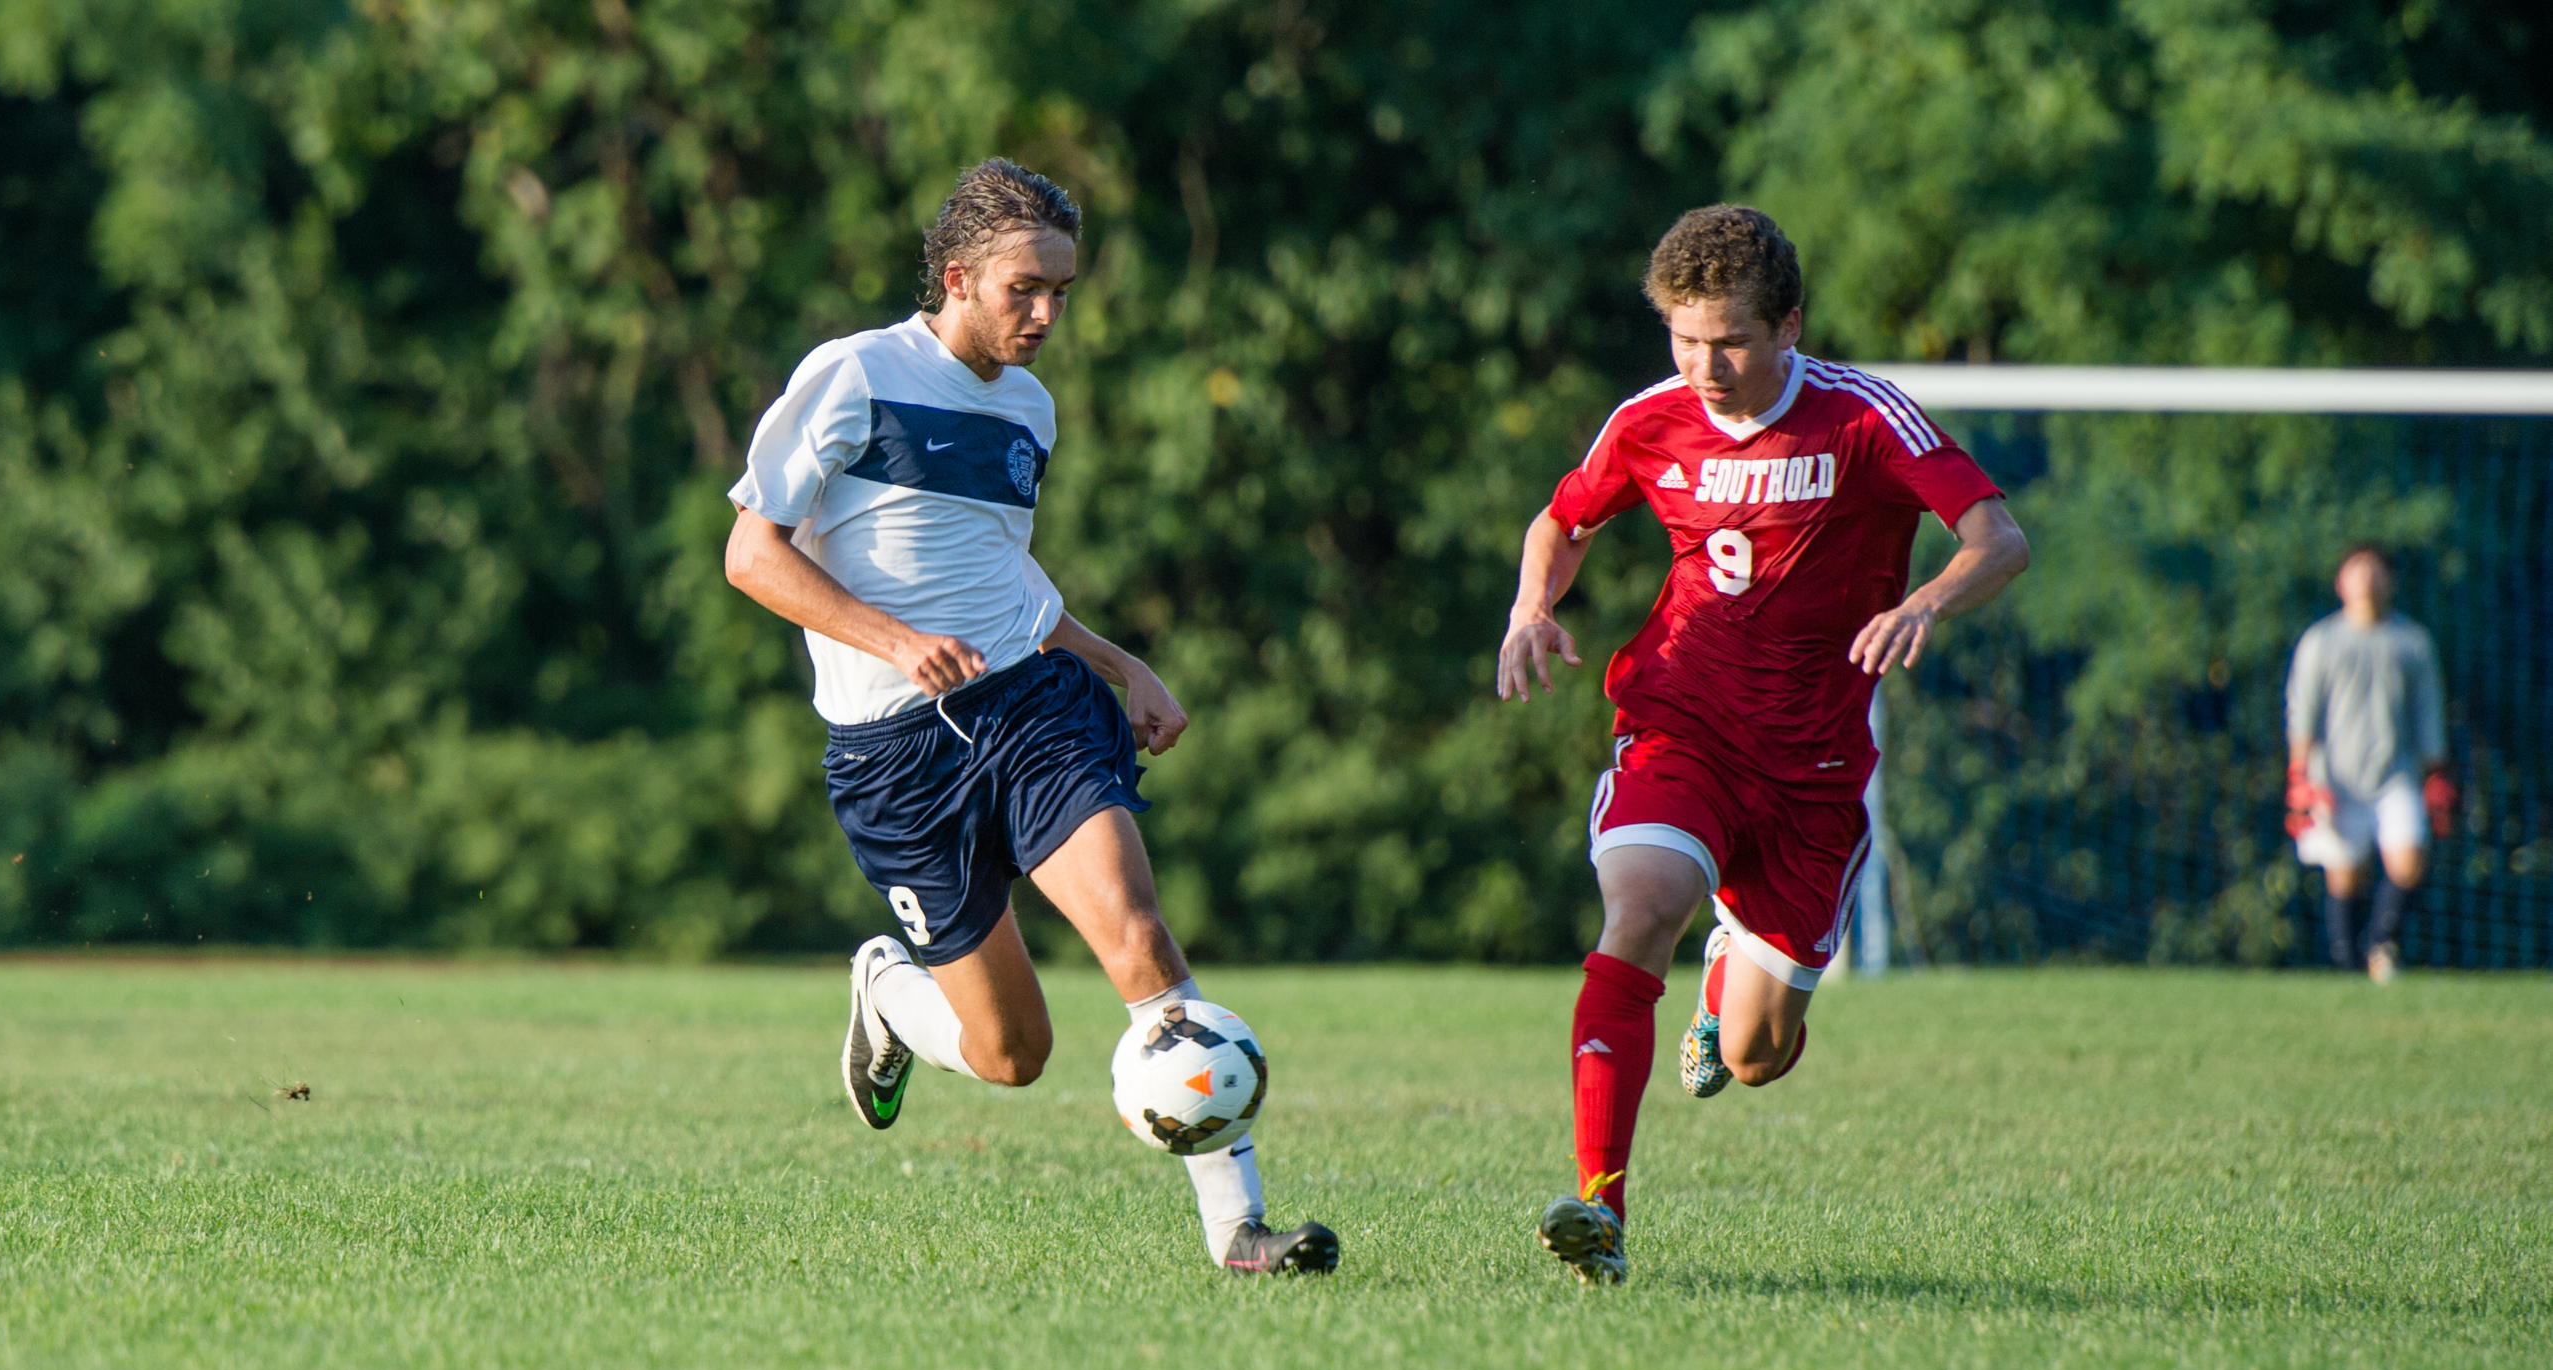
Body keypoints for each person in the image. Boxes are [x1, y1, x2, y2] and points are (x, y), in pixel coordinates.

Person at [722, 159, 1339, 1277]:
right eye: (1026, 288)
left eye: (1062, 289)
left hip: (1027, 710)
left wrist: (1113, 661)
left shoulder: (1028, 408)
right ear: (957, 277)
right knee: (1013, 1054)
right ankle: (888, 997)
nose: (1049, 313)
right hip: (893, 754)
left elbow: (998, 579)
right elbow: (749, 555)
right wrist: (897, 642)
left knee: (1139, 937)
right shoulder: (854, 374)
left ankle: (1238, 1229)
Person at [1493, 205, 2031, 1285]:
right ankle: (1602, 1213)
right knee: (1637, 908)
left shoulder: (1865, 417)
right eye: (1684, 340)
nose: (1705, 366)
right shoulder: (1649, 419)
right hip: (1681, 723)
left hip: (1815, 766)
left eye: (1729, 340)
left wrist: (1926, 599)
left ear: (1789, 324)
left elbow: (1997, 537)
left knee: (1754, 1055)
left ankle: (1731, 966)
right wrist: (1528, 607)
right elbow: (1562, 522)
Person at [2287, 545, 2450, 983]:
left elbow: (2428, 711)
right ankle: (2345, 964)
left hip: (2394, 773)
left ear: (2390, 581)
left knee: (2410, 859)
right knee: (2345, 873)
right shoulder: (2321, 641)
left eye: (2375, 571)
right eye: (2357, 570)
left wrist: (2435, 773)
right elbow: (2302, 710)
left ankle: (2381, 943)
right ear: (2340, 582)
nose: (2367, 580)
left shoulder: (2411, 642)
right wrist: (2300, 774)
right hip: (2335, 777)